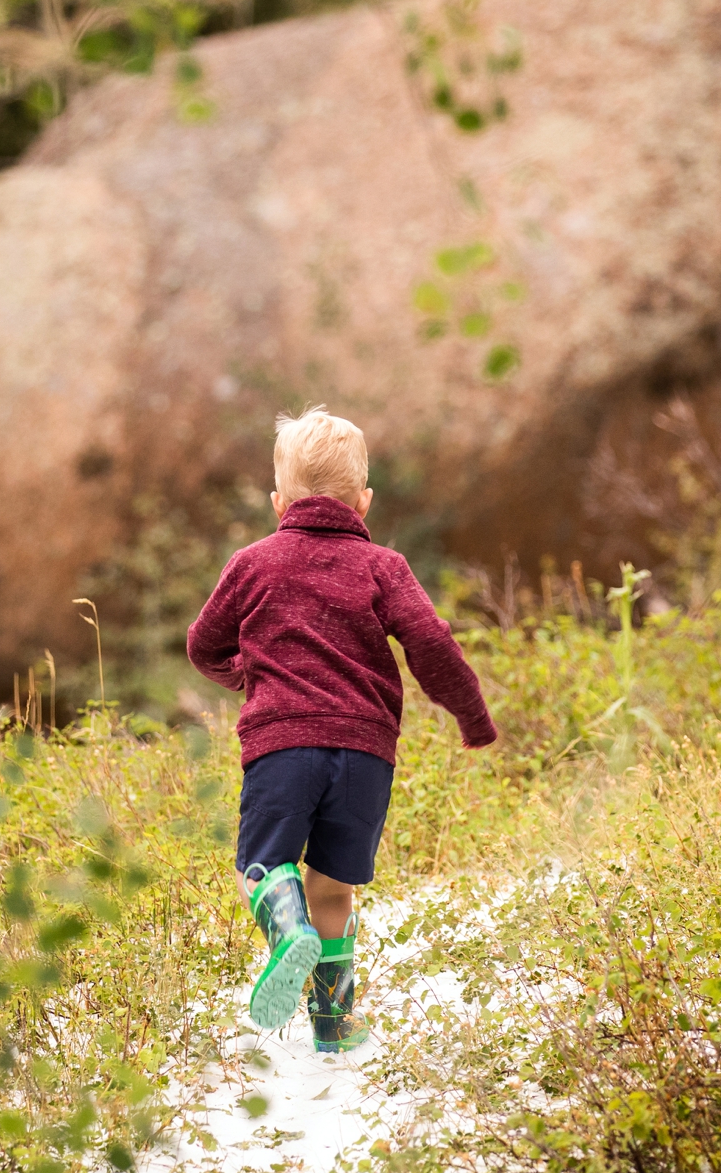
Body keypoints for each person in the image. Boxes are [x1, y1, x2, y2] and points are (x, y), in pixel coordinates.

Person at [186, 406, 498, 1053]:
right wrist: (470, 715)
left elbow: (202, 643)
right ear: (363, 499)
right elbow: (432, 644)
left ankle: (287, 928)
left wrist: (251, 673)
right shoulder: (384, 566)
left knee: (262, 865)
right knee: (333, 885)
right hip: (364, 755)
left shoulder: (252, 563)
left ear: (278, 500)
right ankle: (334, 1025)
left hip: (283, 748)